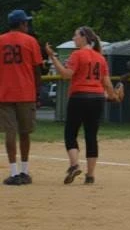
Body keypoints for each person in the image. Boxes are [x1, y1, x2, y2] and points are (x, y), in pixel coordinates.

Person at [45, 27, 123, 185]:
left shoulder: (77, 54)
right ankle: (90, 175)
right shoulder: (100, 57)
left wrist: (53, 57)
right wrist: (113, 96)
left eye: (76, 35)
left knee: (70, 133)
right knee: (91, 136)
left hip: (79, 97)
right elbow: (107, 83)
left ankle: (74, 165)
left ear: (84, 37)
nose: (74, 38)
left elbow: (66, 74)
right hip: (97, 98)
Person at [0, 9, 43, 185]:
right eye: (26, 23)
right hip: (26, 92)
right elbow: (37, 69)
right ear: (21, 24)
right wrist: (38, 92)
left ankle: (14, 172)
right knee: (24, 132)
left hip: (4, 93)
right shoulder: (31, 41)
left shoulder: (1, 40)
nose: (27, 25)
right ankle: (24, 171)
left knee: (10, 133)